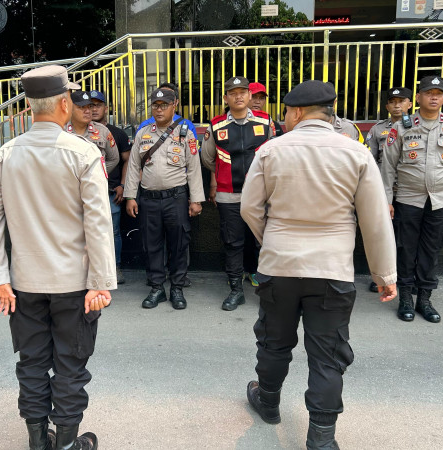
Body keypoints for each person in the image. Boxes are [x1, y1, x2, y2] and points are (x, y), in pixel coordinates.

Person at [240, 80, 397, 450]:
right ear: (330, 112)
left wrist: (272, 241)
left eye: (286, 112)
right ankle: (321, 439)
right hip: (331, 270)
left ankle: (269, 403)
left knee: (273, 341)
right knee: (328, 355)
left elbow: (249, 208)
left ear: (296, 112)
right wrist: (385, 275)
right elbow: (375, 221)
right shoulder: (356, 152)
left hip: (279, 267)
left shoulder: (271, 150)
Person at [0, 65, 115, 450]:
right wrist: (100, 282)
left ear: (28, 106)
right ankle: (67, 444)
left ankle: (38, 442)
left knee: (32, 362)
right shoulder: (83, 152)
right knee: (70, 364)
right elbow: (98, 222)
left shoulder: (6, 154)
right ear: (64, 104)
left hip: (24, 283)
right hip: (74, 284)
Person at [382, 75, 443, 323]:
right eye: (428, 93)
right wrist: (386, 200)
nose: (433, 97)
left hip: (440, 200)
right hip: (408, 199)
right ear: (418, 97)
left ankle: (424, 299)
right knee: (405, 249)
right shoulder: (402, 126)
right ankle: (405, 299)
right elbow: (387, 167)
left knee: (431, 250)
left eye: (438, 94)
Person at [124, 87, 204, 310]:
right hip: (148, 199)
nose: (159, 110)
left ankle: (177, 288)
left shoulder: (185, 132)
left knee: (179, 245)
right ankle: (157, 288)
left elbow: (194, 167)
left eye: (164, 105)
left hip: (175, 198)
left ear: (174, 105)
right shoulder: (143, 133)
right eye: (155, 105)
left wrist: (196, 199)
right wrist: (130, 196)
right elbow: (133, 167)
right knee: (151, 245)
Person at [201, 76, 273, 311]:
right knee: (232, 243)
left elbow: (275, 155)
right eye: (233, 93)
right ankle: (236, 290)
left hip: (260, 195)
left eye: (242, 92)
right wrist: (223, 173)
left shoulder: (265, 121)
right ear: (226, 98)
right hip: (228, 195)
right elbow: (207, 158)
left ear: (249, 96)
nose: (238, 96)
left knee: (265, 242)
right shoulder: (216, 125)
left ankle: (267, 288)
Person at [364, 86, 413, 293]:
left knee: (408, 236)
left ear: (410, 104)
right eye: (392, 102)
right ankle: (383, 277)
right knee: (383, 235)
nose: (397, 105)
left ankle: (408, 277)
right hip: (385, 190)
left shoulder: (417, 127)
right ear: (387, 106)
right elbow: (369, 160)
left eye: (401, 101)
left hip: (411, 189)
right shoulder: (377, 130)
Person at [90, 89, 131, 284]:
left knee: (113, 232)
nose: (93, 109)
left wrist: (123, 185)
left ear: (106, 108)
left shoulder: (117, 133)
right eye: (89, 105)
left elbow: (127, 161)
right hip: (86, 192)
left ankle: (115, 267)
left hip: (111, 191)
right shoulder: (77, 132)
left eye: (98, 105)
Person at [65, 90, 119, 175]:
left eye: (89, 106)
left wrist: (97, 174)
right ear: (70, 109)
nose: (87, 111)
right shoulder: (62, 131)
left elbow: (114, 159)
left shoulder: (102, 131)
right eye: (82, 107)